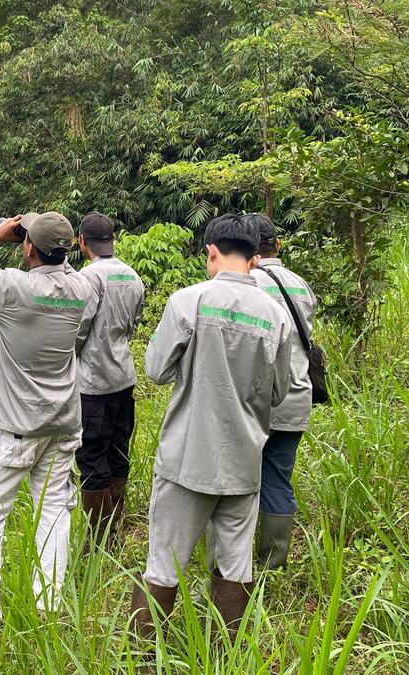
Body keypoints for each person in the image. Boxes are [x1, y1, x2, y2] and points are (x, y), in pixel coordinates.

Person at [129, 213, 294, 642]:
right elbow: (279, 391)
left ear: (212, 252)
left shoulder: (189, 301)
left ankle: (143, 659)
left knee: (164, 563)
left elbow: (155, 370)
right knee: (236, 566)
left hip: (187, 458)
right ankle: (225, 656)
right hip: (244, 461)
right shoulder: (275, 315)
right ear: (254, 259)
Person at [0, 211, 94, 623]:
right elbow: (54, 280)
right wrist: (32, 246)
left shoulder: (11, 289)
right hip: (63, 422)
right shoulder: (82, 288)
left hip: (14, 427)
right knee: (54, 512)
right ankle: (49, 606)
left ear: (27, 247)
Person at [243, 212, 318, 569]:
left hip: (255, 399)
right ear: (276, 244)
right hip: (297, 396)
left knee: (240, 477)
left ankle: (235, 558)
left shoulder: (247, 283)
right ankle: (273, 561)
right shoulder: (300, 284)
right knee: (278, 477)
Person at [74, 212, 145, 549]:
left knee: (91, 454)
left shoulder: (88, 278)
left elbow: (79, 329)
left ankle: (99, 538)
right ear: (113, 237)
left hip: (93, 381)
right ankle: (114, 521)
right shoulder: (133, 276)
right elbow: (133, 324)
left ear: (81, 240)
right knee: (119, 448)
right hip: (124, 374)